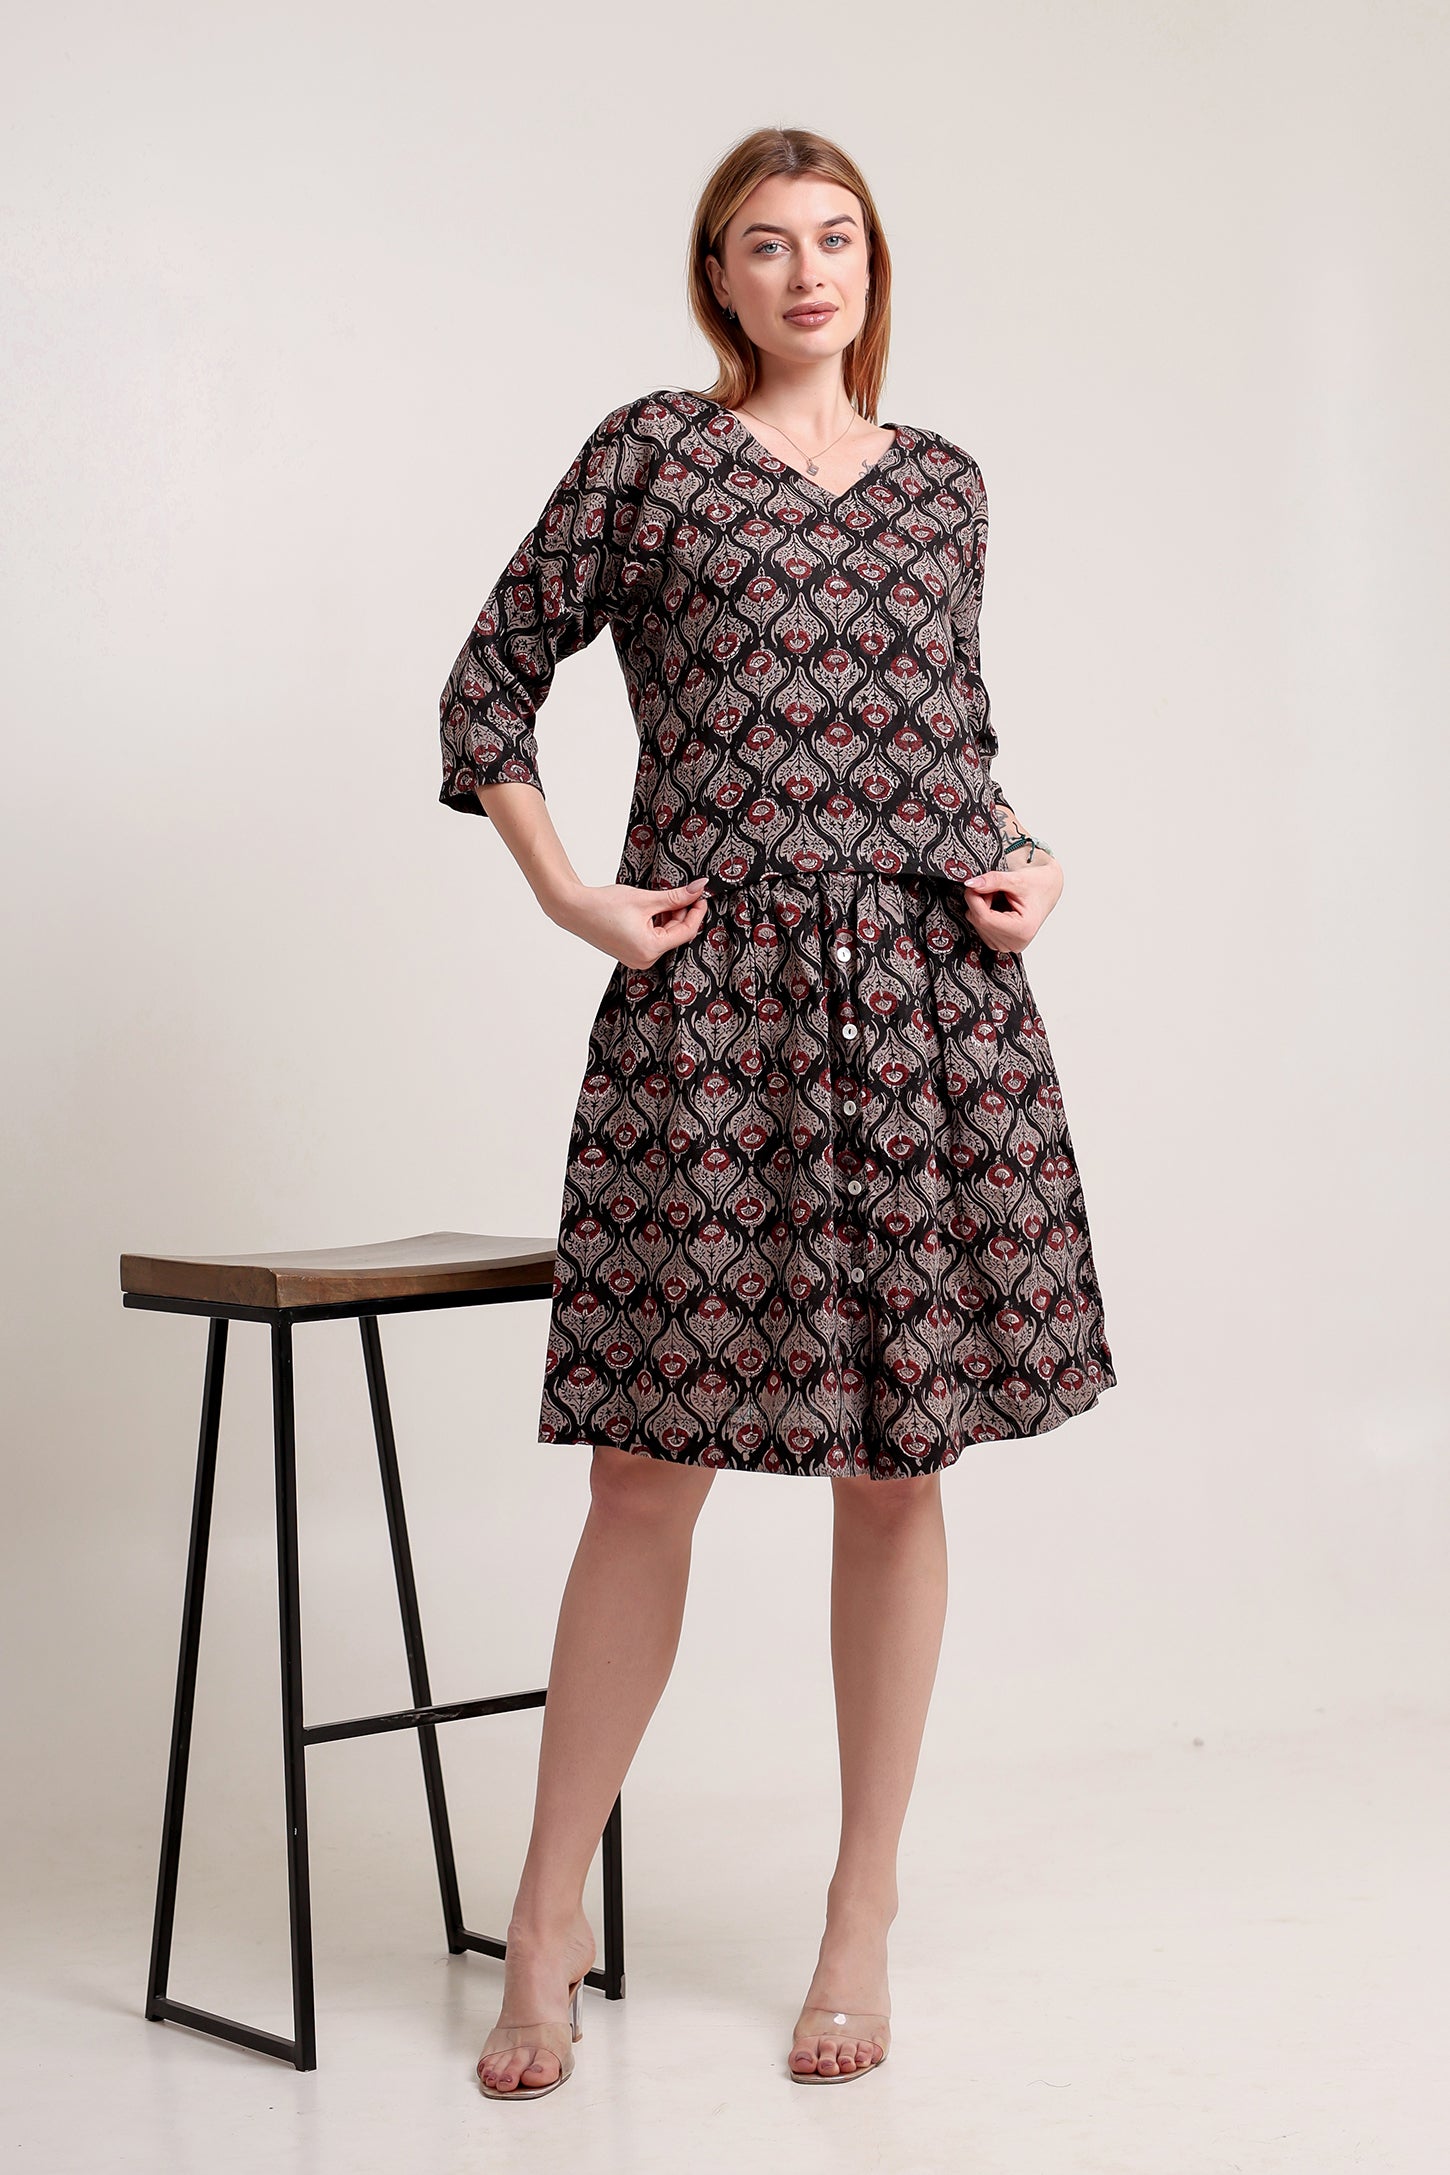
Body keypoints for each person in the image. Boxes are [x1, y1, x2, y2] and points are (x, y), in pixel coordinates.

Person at [436, 124, 1117, 2099]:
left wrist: (1034, 861)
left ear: (868, 264)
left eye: (835, 239)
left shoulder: (940, 487)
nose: (805, 270)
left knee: (895, 1466)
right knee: (646, 1466)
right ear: (714, 277)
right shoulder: (649, 454)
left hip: (925, 1001)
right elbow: (490, 687)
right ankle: (547, 1909)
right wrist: (571, 887)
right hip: (715, 1009)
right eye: (764, 243)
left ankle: (857, 1906)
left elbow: (949, 739)